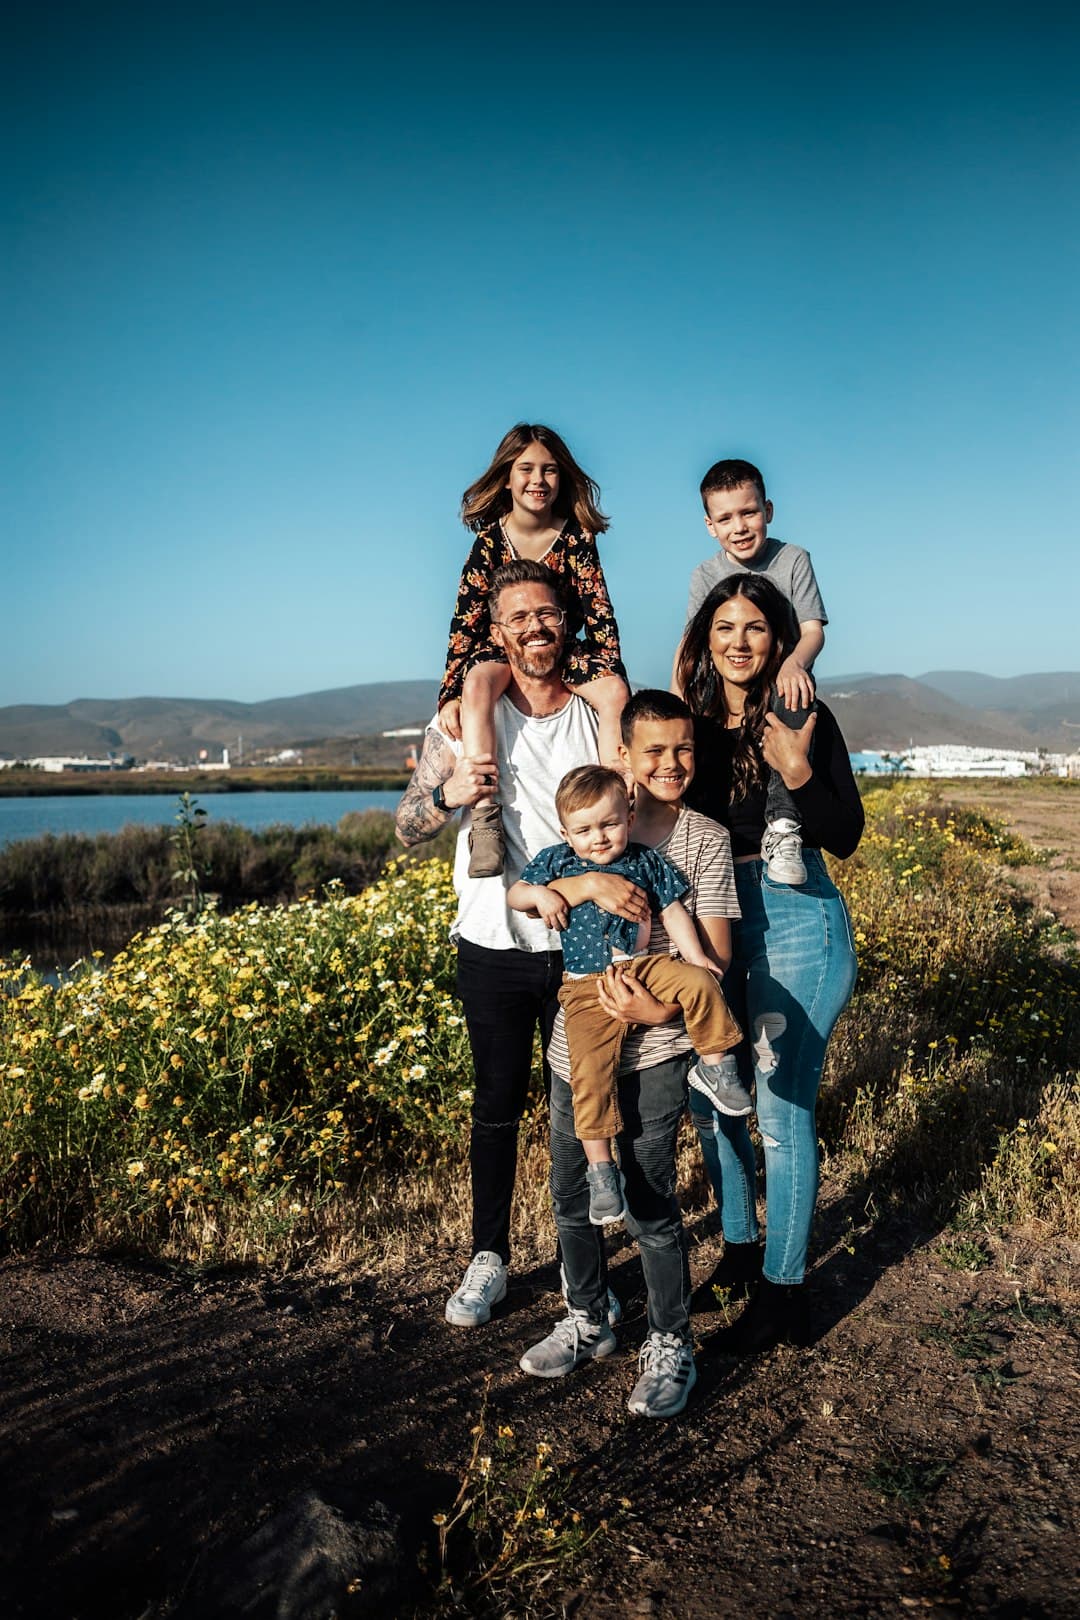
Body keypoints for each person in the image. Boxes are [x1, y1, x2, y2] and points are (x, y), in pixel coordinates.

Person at [395, 559, 609, 1330]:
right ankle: (489, 1257)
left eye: (547, 613)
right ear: (496, 631)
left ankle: (582, 1265)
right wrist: (449, 794)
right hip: (491, 941)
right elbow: (407, 824)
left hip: (584, 945)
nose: (535, 628)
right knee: (495, 1106)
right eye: (517, 617)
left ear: (568, 621)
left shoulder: (594, 714)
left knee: (578, 1108)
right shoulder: (459, 721)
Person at [518, 691, 742, 1417]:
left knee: (648, 1198)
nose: (671, 764)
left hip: (659, 1041)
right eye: (654, 750)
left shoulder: (700, 838)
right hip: (574, 1041)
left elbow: (715, 954)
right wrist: (581, 882)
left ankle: (670, 1338)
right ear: (623, 758)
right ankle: (589, 1317)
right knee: (573, 1192)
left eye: (684, 750)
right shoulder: (582, 833)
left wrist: (657, 1009)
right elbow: (524, 896)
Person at [676, 574, 863, 1353]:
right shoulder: (688, 724)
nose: (739, 642)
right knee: (712, 1095)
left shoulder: (804, 716)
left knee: (781, 1115)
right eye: (724, 627)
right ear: (704, 639)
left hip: (796, 918)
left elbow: (843, 831)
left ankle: (786, 1294)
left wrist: (793, 764)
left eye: (755, 627)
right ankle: (741, 1251)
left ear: (779, 639)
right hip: (713, 914)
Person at [507, 765, 746, 1226]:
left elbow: (673, 911)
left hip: (646, 967)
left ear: (629, 819)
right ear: (565, 832)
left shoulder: (644, 861)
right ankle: (601, 1169)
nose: (598, 837)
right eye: (584, 829)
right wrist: (543, 897)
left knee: (701, 984)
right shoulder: (557, 862)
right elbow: (516, 894)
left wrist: (698, 959)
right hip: (585, 985)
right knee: (589, 1074)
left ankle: (717, 1067)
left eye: (609, 824)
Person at [438, 424, 630, 880]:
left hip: (565, 647)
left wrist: (610, 673)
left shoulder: (578, 537)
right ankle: (486, 819)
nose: (538, 480)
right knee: (478, 682)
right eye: (526, 469)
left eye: (549, 470)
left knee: (614, 692)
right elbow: (464, 620)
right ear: (507, 477)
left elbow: (599, 611)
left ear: (562, 478)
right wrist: (449, 693)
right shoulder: (488, 541)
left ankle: (620, 800)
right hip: (501, 648)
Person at [675, 458, 828, 888]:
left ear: (769, 511)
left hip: (782, 683)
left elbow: (813, 630)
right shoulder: (705, 575)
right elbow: (690, 643)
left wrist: (795, 662)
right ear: (710, 525)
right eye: (725, 518)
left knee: (793, 694)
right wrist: (675, 699)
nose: (739, 526)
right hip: (725, 687)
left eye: (749, 512)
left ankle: (782, 827)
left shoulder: (793, 559)